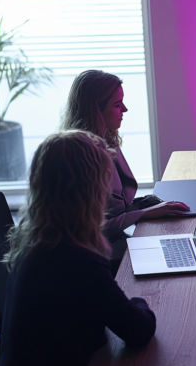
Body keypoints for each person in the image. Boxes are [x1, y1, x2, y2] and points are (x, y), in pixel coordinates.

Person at [0, 130, 157, 366]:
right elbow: (139, 330)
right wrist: (140, 300)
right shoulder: (78, 262)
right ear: (88, 191)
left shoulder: (33, 239)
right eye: (103, 184)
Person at [60, 70, 188, 273]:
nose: (125, 109)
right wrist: (144, 214)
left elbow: (116, 205)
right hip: (97, 254)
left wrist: (148, 205)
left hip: (114, 240)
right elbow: (92, 228)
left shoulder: (106, 140)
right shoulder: (81, 158)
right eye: (117, 105)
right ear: (95, 110)